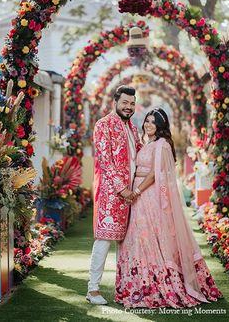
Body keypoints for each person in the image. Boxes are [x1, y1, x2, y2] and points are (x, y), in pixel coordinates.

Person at [115, 108, 223, 309]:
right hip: (138, 198)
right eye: (147, 121)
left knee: (150, 238)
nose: (148, 125)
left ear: (160, 125)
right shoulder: (148, 143)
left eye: (153, 122)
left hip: (148, 196)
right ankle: (138, 286)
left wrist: (136, 191)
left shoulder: (162, 144)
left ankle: (158, 285)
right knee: (138, 239)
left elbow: (155, 174)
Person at [86, 85, 142, 305]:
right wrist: (123, 190)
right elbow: (106, 163)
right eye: (125, 103)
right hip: (111, 195)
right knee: (104, 240)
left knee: (127, 243)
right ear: (115, 102)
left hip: (132, 196)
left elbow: (140, 155)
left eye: (132, 103)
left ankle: (125, 288)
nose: (128, 107)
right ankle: (92, 290)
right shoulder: (103, 125)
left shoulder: (133, 128)